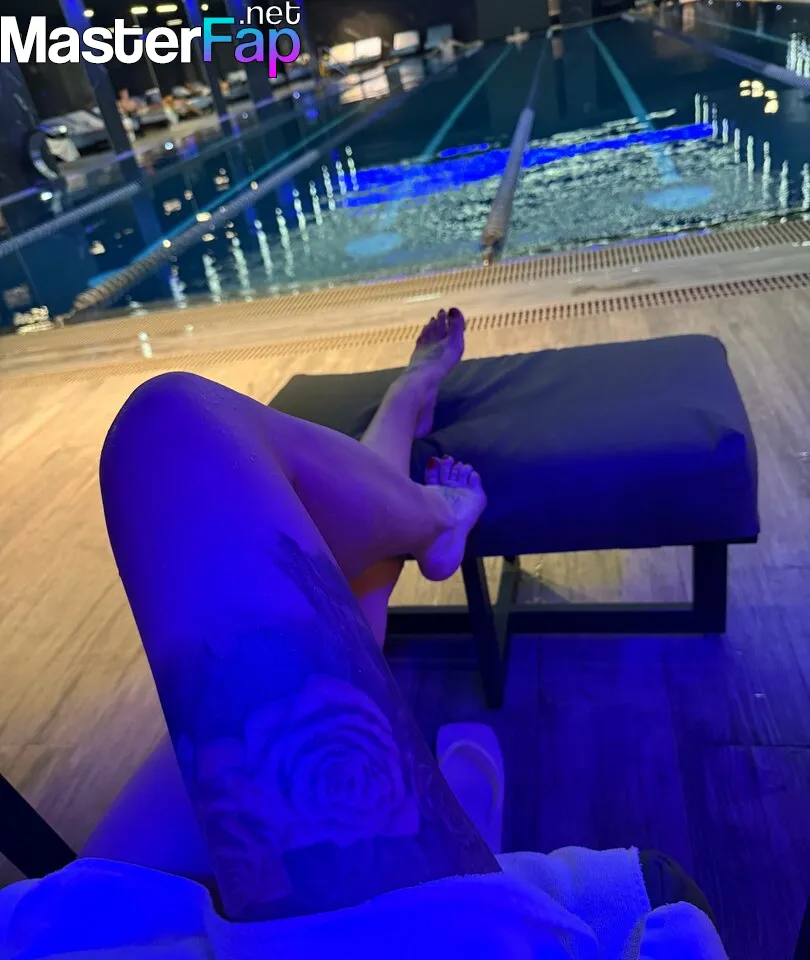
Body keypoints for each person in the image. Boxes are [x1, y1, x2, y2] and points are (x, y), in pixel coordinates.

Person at [0, 309, 729, 958]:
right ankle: (436, 508)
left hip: (67, 934)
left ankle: (408, 431)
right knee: (173, 434)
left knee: (335, 600)